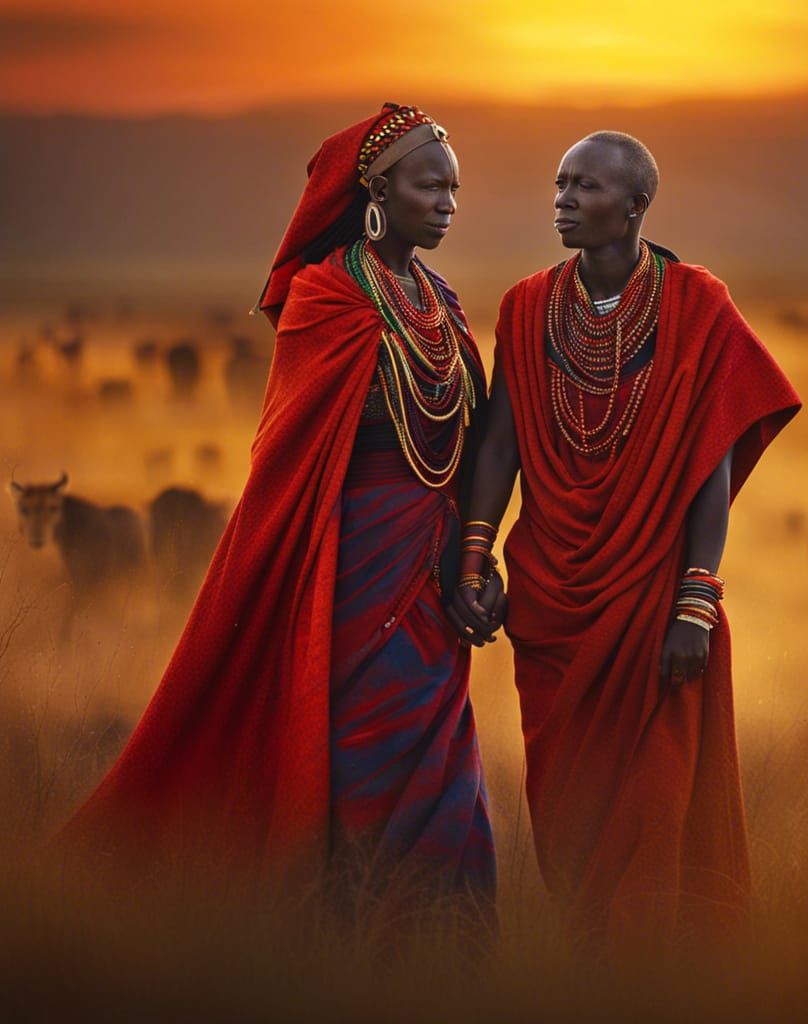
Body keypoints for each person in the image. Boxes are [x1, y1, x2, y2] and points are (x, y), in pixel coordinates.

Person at [56, 104, 497, 912]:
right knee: (364, 742)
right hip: (352, 566)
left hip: (433, 567)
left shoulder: (443, 301)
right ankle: (348, 928)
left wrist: (473, 556)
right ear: (378, 190)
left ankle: (444, 944)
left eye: (456, 190)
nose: (448, 204)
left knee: (443, 749)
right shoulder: (325, 298)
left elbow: (468, 438)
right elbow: (293, 456)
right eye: (431, 185)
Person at [447, 131, 801, 950]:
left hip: (657, 599)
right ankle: (593, 971)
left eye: (587, 186)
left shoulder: (697, 304)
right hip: (552, 600)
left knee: (657, 800)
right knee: (569, 814)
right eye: (560, 182)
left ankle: (658, 973)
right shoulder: (527, 306)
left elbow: (710, 465)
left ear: (637, 204)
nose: (563, 199)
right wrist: (474, 558)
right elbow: (498, 446)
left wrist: (695, 603)